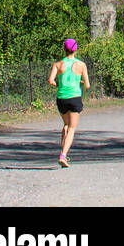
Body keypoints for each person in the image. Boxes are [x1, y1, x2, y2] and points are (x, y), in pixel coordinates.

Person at [47, 38, 90, 167]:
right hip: (75, 98)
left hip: (61, 98)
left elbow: (51, 80)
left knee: (66, 125)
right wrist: (79, 82)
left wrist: (59, 85)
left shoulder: (58, 64)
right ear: (75, 49)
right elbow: (87, 85)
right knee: (72, 128)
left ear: (64, 49)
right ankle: (63, 155)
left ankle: (63, 152)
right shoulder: (81, 65)